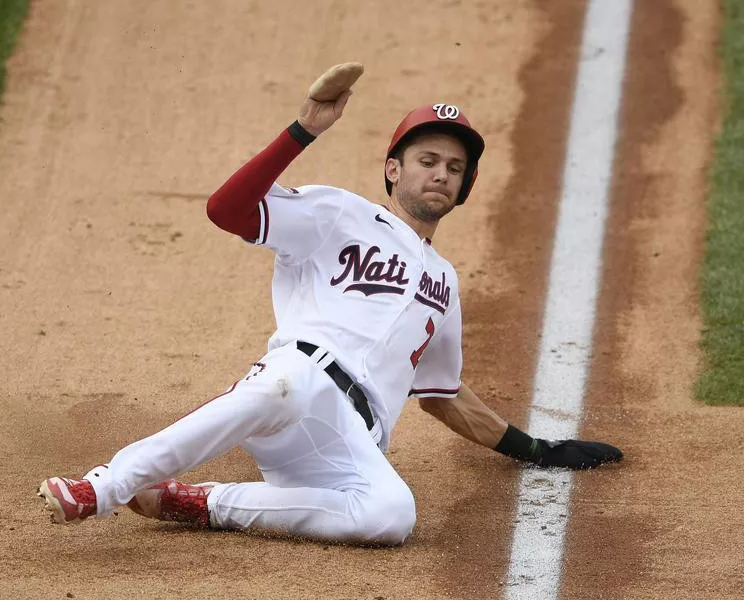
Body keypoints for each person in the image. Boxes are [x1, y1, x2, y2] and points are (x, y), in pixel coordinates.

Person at [38, 64, 622, 546]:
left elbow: (443, 395)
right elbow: (227, 210)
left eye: (454, 168)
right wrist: (302, 130)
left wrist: (536, 449)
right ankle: (102, 487)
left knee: (393, 517)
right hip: (298, 381)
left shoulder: (444, 283)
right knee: (282, 384)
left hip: (348, 444)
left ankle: (201, 502)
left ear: (463, 188)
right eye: (427, 160)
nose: (440, 174)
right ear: (393, 169)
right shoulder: (338, 214)